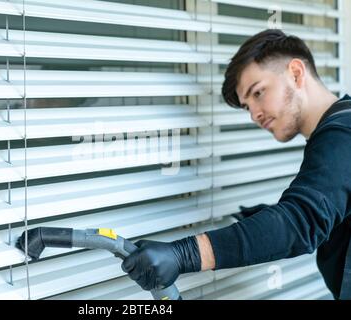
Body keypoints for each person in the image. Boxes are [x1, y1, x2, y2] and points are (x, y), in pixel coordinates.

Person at [121, 29, 351, 300]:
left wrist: (185, 254)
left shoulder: (342, 134)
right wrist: (266, 220)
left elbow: (301, 224)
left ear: (296, 73)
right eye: (246, 106)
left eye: (258, 92)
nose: (254, 114)